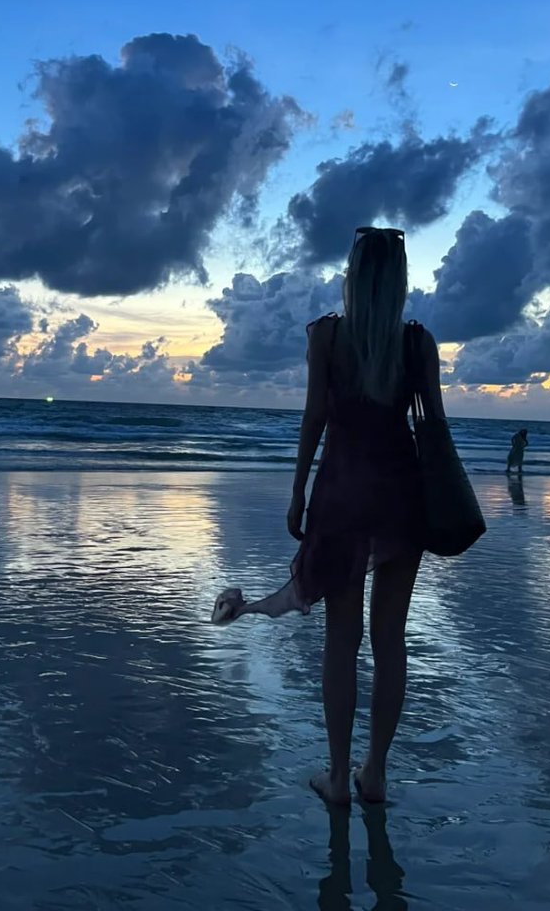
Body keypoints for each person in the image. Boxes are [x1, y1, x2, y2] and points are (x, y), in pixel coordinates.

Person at [212, 226, 443, 807]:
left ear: (353, 278)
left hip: (341, 494)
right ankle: (377, 774)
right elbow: (433, 428)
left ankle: (339, 778)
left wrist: (296, 494)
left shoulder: (327, 337)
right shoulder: (417, 344)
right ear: (399, 281)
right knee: (390, 640)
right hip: (401, 496)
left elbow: (314, 419)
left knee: (342, 642)